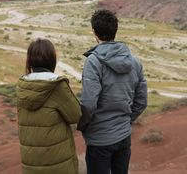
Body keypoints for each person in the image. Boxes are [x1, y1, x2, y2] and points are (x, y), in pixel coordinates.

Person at [77, 9, 147, 174]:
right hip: (123, 137)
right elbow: (142, 101)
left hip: (99, 140)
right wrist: (125, 120)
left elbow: (88, 104)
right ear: (115, 30)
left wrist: (83, 125)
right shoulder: (135, 62)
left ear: (94, 33)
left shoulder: (93, 62)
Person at [17, 38, 81, 174]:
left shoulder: (22, 86)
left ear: (30, 60)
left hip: (31, 163)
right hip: (58, 163)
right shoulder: (57, 86)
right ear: (52, 59)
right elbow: (76, 115)